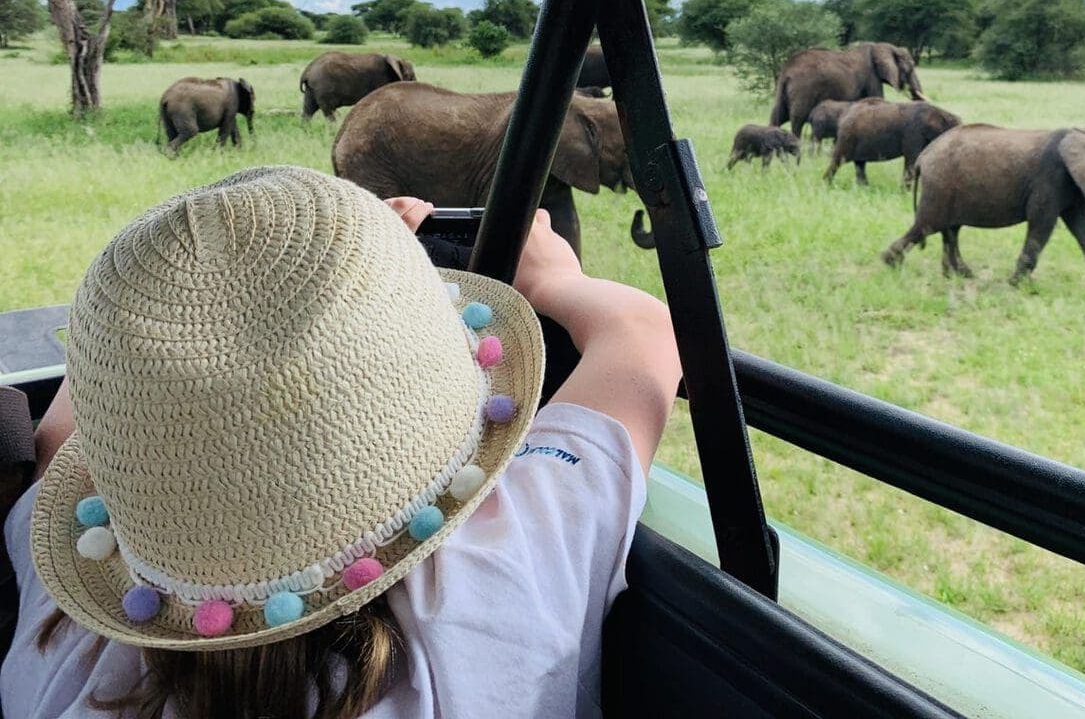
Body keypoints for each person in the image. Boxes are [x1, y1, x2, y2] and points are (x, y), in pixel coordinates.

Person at [0, 165, 682, 719]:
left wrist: (153, 308)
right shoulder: (506, 575)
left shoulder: (61, 645)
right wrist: (552, 280)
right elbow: (643, 334)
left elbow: (65, 432)